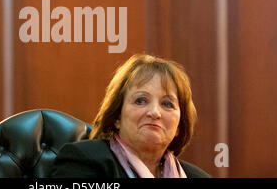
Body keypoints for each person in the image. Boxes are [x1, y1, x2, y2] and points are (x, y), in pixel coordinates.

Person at [51, 54, 211, 178]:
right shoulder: (84, 161)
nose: (155, 112)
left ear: (179, 126)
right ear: (117, 117)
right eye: (141, 100)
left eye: (167, 104)